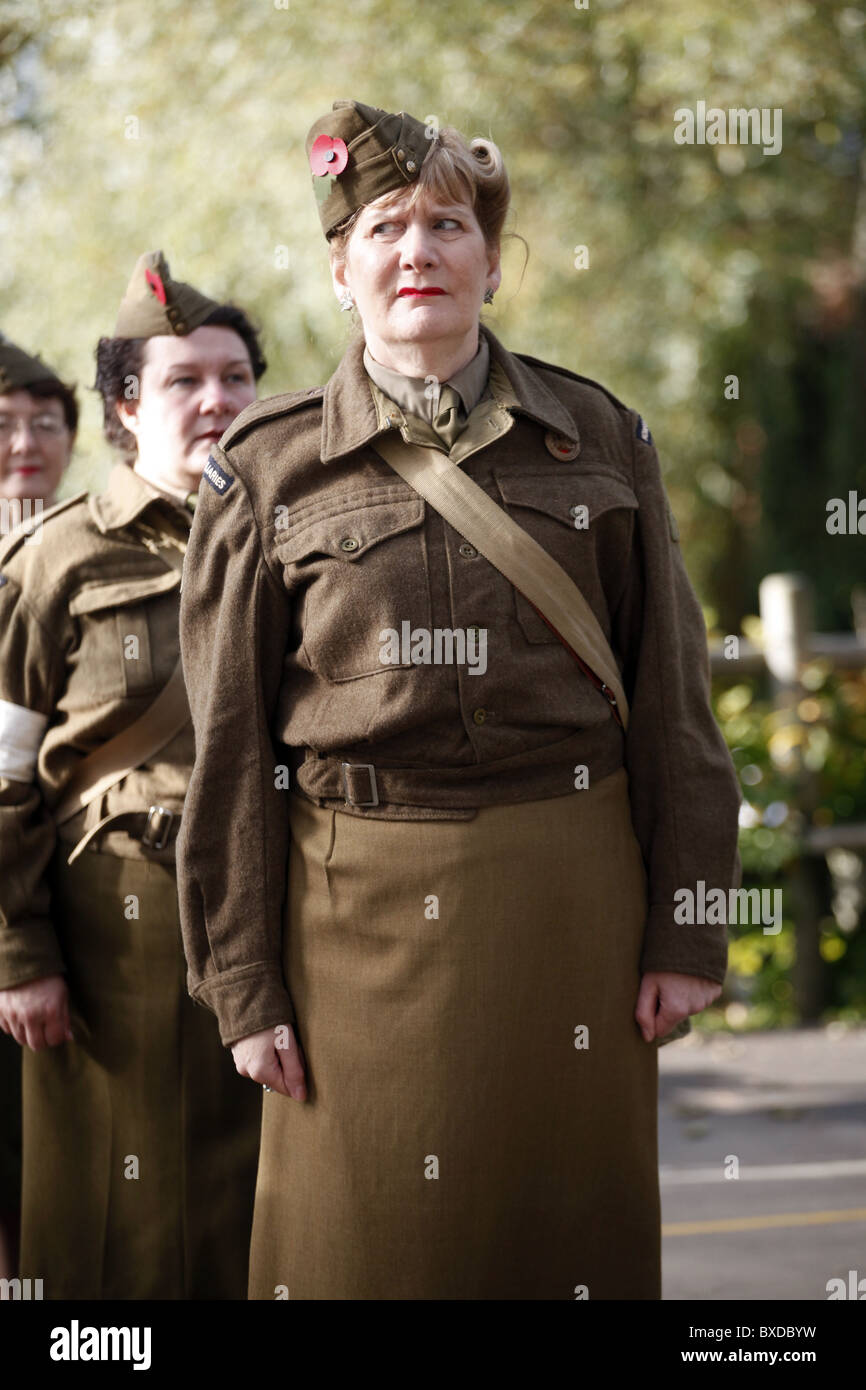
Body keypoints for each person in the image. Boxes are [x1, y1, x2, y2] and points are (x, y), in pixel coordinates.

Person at [175, 101, 743, 1301]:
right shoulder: (266, 468)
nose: (417, 251)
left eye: (446, 225)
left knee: (562, 1240)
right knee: (361, 1247)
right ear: (341, 269)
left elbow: (673, 699)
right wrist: (242, 982)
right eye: (384, 228)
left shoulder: (596, 436)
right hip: (353, 920)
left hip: (568, 899)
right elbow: (226, 755)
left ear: (490, 259)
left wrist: (686, 926)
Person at [0, 253, 267, 1299]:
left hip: (278, 913)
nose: (216, 400)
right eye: (183, 380)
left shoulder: (292, 537)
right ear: (122, 405)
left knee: (262, 1202)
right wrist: (19, 954)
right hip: (118, 930)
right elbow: (4, 774)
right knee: (122, 1220)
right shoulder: (55, 563)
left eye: (235, 376)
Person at [0, 335, 78, 1285]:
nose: (25, 441)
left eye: (45, 422)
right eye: (4, 425)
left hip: (51, 895)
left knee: (41, 1155)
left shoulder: (90, 551)